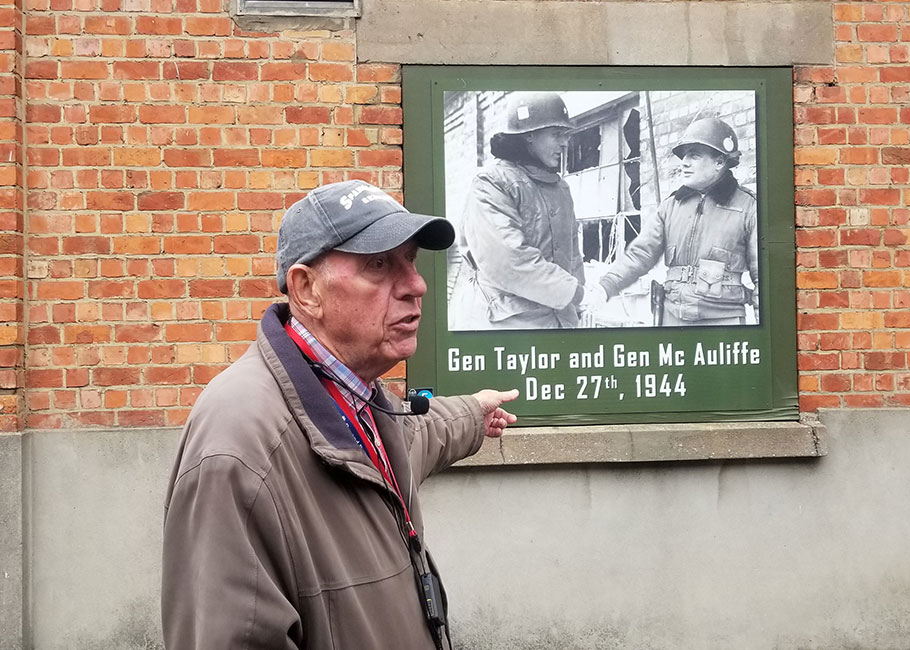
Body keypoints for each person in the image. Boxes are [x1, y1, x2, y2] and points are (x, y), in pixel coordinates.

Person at [161, 180, 519, 650]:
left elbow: (413, 435)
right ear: (306, 289)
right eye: (378, 264)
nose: (417, 284)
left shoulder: (357, 398)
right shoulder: (240, 445)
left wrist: (474, 412)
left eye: (409, 260)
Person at [593, 116, 759, 326]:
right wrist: (605, 286)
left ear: (719, 162)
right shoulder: (671, 206)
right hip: (673, 320)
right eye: (684, 156)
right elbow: (641, 254)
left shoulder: (748, 207)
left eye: (695, 156)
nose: (685, 163)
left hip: (723, 323)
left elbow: (765, 278)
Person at [449, 91, 585, 330]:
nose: (565, 143)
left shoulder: (561, 187)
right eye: (556, 134)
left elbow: (572, 254)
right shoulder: (491, 183)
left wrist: (578, 300)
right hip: (504, 325)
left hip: (557, 321)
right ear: (530, 136)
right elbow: (508, 260)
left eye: (565, 135)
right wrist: (574, 292)